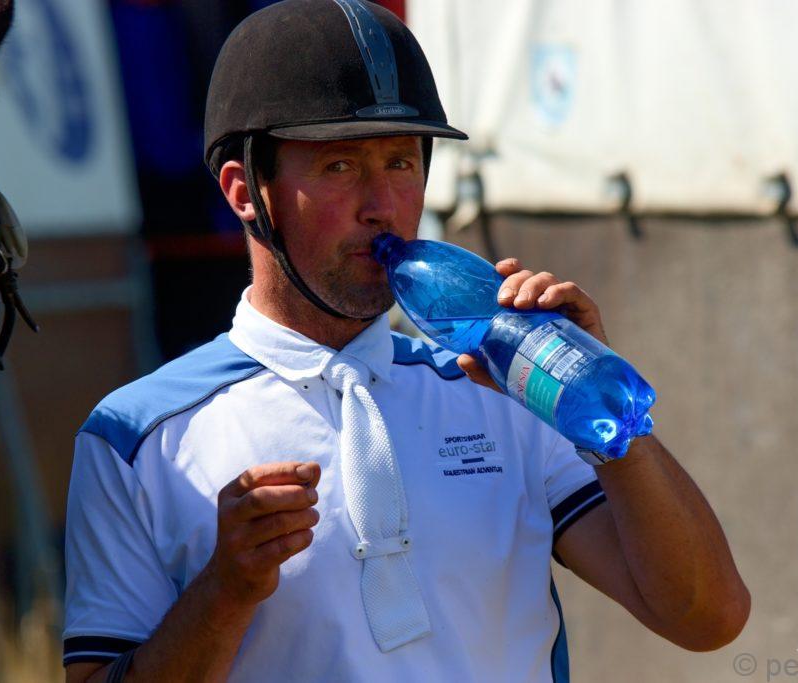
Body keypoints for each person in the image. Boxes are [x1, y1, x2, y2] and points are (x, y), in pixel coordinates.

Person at [62, 1, 750, 681]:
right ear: (245, 192)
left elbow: (708, 619)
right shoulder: (135, 436)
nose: (383, 206)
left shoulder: (501, 380)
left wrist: (607, 415)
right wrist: (224, 591)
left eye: (400, 162)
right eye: (339, 166)